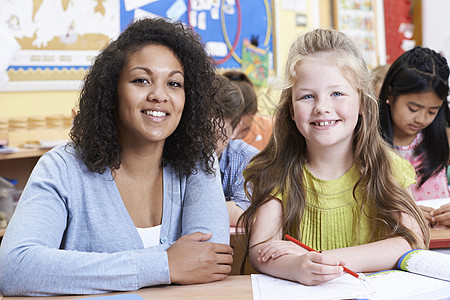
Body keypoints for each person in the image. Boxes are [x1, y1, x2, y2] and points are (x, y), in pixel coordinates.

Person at [0, 17, 233, 296]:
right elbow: (15, 267)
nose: (159, 95)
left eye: (174, 84)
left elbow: (210, 260)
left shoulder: (198, 161)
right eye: (141, 80)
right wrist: (164, 264)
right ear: (112, 92)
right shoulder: (60, 168)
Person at [237, 28, 429, 285]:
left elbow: (413, 241)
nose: (322, 107)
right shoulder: (276, 171)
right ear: (291, 110)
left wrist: (323, 258)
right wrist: (297, 266)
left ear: (361, 101)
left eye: (337, 93)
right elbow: (262, 251)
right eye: (307, 96)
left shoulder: (387, 167)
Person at [378, 46, 450, 227]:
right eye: (413, 108)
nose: (421, 119)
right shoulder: (368, 142)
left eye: (432, 111)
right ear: (389, 94)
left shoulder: (444, 139)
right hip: (396, 245)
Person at [215, 75, 259, 227]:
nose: (206, 145)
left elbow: (245, 213)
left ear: (235, 130)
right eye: (199, 133)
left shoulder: (246, 157)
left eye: (217, 137)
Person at [223, 70, 273, 151]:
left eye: (245, 129)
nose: (236, 136)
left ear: (255, 113)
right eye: (230, 130)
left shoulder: (270, 129)